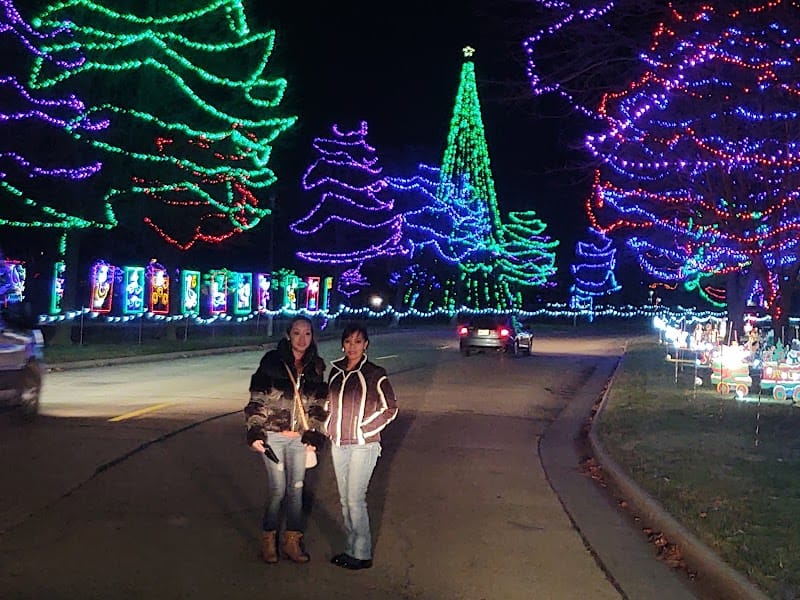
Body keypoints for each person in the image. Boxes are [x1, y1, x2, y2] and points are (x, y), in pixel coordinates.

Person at [244, 316, 328, 564]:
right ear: (288, 335)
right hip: (274, 437)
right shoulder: (272, 363)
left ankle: (292, 541)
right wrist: (255, 432)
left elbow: (318, 406)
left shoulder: (316, 367)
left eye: (307, 334)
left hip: (300, 440)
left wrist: (314, 433)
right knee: (278, 490)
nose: (302, 339)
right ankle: (268, 540)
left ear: (313, 337)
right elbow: (257, 400)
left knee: (297, 490)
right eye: (297, 333)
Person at [326, 323, 398, 570]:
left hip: (363, 446)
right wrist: (328, 425)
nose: (352, 346)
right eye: (348, 341)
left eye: (358, 341)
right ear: (342, 344)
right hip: (338, 444)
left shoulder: (375, 373)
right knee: (345, 500)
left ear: (366, 344)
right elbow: (329, 403)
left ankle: (362, 553)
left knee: (356, 499)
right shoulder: (335, 372)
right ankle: (350, 548)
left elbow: (390, 407)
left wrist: (364, 429)